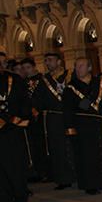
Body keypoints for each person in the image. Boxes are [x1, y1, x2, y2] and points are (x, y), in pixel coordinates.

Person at [63, 58, 102, 195]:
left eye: (81, 66)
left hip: (100, 124)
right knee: (87, 156)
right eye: (76, 66)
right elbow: (68, 110)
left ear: (89, 68)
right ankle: (90, 184)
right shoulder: (71, 88)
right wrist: (70, 128)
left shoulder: (100, 84)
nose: (78, 69)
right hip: (83, 126)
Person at [33, 52, 75, 190]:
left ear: (59, 62)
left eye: (50, 60)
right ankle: (63, 179)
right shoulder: (44, 81)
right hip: (54, 119)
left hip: (71, 116)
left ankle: (78, 174)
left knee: (74, 146)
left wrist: (89, 109)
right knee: (57, 149)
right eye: (46, 60)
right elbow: (37, 101)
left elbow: (80, 95)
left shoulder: (70, 75)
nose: (47, 63)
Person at [0, 66, 31, 202]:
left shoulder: (14, 80)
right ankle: (4, 199)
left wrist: (17, 118)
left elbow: (24, 101)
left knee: (16, 163)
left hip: (13, 127)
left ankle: (20, 195)